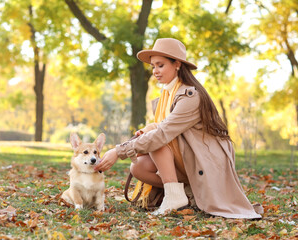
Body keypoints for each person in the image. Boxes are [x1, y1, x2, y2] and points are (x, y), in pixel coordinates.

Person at [94, 38, 262, 218]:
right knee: (138, 167)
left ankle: (176, 196)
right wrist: (144, 132)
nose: (155, 71)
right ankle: (186, 192)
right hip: (187, 154)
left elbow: (163, 133)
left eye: (160, 65)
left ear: (177, 65)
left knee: (156, 141)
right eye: (153, 67)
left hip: (205, 160)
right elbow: (163, 126)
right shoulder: (167, 94)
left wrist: (119, 151)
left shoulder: (190, 96)